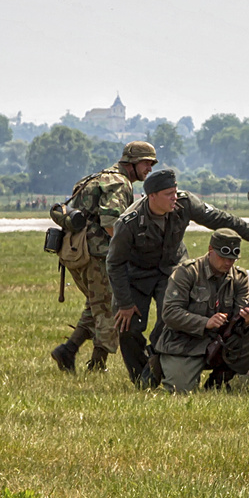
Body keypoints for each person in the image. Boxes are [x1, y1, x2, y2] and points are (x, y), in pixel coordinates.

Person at [106, 167, 249, 387]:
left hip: (172, 269)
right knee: (128, 327)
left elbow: (218, 218)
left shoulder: (184, 203)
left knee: (169, 319)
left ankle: (155, 368)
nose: (174, 198)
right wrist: (125, 304)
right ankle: (140, 379)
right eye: (168, 194)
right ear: (151, 196)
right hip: (136, 275)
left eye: (175, 192)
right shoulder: (129, 222)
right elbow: (114, 263)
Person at [50, 140, 156, 374]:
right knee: (110, 310)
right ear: (134, 162)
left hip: (77, 253)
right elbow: (111, 222)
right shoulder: (120, 183)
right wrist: (128, 250)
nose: (150, 169)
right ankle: (97, 366)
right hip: (98, 257)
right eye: (147, 163)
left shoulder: (98, 177)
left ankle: (68, 351)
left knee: (96, 306)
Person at [153, 228, 249, 393]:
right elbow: (170, 313)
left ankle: (218, 381)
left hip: (221, 342)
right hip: (185, 343)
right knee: (179, 391)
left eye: (232, 259)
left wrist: (248, 321)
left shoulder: (239, 278)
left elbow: (238, 323)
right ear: (210, 250)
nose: (228, 263)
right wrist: (205, 322)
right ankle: (160, 364)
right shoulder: (187, 272)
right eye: (223, 257)